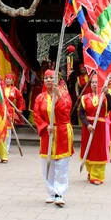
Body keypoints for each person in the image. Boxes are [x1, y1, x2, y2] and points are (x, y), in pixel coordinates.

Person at [33, 69, 73, 207]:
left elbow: (67, 110)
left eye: (51, 78)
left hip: (62, 131)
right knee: (47, 164)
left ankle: (59, 193)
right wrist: (45, 126)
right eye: (46, 78)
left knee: (61, 164)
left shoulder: (64, 94)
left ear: (57, 79)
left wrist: (58, 95)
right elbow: (36, 115)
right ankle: (50, 192)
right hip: (47, 133)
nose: (48, 80)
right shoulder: (40, 98)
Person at [79, 75, 111, 185]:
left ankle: (97, 176)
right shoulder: (85, 98)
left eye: (97, 82)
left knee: (99, 151)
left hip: (100, 128)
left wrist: (107, 94)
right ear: (90, 84)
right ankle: (91, 171)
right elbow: (81, 113)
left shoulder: (104, 97)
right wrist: (87, 125)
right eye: (93, 82)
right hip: (88, 128)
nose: (95, 84)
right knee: (88, 150)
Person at [3, 72, 25, 153]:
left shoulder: (14, 89)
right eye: (7, 79)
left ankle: (6, 148)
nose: (8, 80)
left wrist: (19, 108)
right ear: (4, 80)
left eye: (10, 79)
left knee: (8, 130)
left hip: (10, 111)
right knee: (1, 129)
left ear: (12, 81)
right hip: (1, 110)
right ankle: (1, 147)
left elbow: (20, 99)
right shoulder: (1, 88)